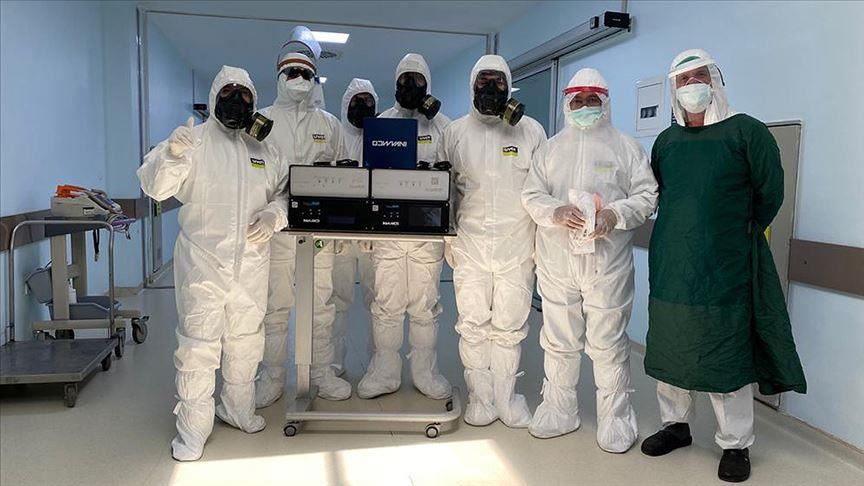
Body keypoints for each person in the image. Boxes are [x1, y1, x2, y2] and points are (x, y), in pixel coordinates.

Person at [641, 49, 806, 482]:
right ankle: (675, 426)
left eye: (700, 76)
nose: (692, 85)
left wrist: (732, 234)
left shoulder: (746, 132)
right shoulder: (667, 143)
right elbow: (662, 195)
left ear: (715, 81)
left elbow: (770, 194)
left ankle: (735, 444)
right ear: (674, 89)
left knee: (726, 356)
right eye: (683, 79)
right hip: (673, 266)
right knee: (672, 348)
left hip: (726, 267)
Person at [138, 66, 289, 461]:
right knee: (198, 348)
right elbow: (155, 188)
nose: (236, 101)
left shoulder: (264, 150)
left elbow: (286, 193)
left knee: (246, 341)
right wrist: (171, 155)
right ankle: (193, 431)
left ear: (254, 101)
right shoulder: (195, 142)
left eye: (244, 95)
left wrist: (275, 214)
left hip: (251, 265)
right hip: (203, 266)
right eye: (228, 92)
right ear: (214, 96)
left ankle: (238, 410)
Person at [522, 68, 658, 453]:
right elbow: (531, 194)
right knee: (559, 340)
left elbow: (647, 195)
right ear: (568, 103)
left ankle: (616, 418)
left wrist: (615, 214)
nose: (584, 107)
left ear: (605, 103)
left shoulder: (625, 148)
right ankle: (559, 409)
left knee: (608, 342)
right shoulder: (550, 150)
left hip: (607, 263)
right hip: (557, 260)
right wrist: (555, 211)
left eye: (592, 100)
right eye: (578, 100)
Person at [438, 55, 546, 427]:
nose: (490, 88)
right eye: (483, 80)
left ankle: (506, 398)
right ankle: (481, 399)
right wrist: (449, 241)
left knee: (510, 327)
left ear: (509, 84)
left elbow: (542, 190)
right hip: (469, 246)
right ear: (472, 84)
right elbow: (444, 190)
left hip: (517, 248)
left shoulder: (530, 131)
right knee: (472, 325)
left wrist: (541, 246)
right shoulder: (455, 133)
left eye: (498, 81)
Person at [255, 26, 348, 407]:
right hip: (274, 231)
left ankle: (322, 372)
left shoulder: (328, 124)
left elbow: (344, 176)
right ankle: (273, 376)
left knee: (321, 305)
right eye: (292, 72)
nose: (299, 79)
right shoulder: (260, 121)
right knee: (275, 306)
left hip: (318, 230)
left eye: (307, 73)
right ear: (279, 75)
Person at [358, 53, 453, 400]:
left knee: (425, 306)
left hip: (427, 231)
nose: (410, 86)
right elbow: (368, 176)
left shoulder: (443, 126)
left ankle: (426, 373)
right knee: (386, 304)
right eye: (403, 80)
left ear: (428, 83)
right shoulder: (382, 123)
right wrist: (367, 229)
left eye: (417, 80)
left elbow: (455, 179)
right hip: (389, 230)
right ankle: (384, 372)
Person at [331, 78, 380, 376]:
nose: (363, 106)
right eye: (356, 101)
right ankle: (332, 363)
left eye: (369, 101)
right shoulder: (335, 135)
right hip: (340, 233)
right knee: (337, 300)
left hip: (374, 233)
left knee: (378, 301)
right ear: (345, 104)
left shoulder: (381, 137)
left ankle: (379, 363)